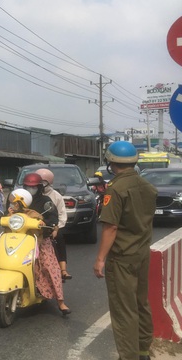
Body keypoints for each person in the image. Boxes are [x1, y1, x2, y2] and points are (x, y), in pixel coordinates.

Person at [93, 141, 156, 360]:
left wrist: (100, 259)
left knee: (124, 309)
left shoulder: (116, 189)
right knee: (141, 302)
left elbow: (110, 227)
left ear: (110, 162)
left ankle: (128, 356)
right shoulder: (147, 186)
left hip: (122, 257)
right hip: (142, 252)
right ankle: (143, 350)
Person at [22, 172, 71, 315]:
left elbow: (53, 218)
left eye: (33, 187)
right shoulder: (18, 199)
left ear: (39, 187)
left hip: (40, 240)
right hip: (21, 239)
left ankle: (61, 302)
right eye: (28, 187)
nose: (30, 190)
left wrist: (47, 223)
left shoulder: (46, 201)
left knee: (50, 267)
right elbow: (8, 214)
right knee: (3, 259)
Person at [35, 168, 72, 281]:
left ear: (49, 183)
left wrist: (55, 229)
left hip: (50, 226)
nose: (40, 185)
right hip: (32, 226)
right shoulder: (29, 195)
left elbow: (61, 216)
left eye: (43, 182)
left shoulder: (56, 196)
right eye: (38, 182)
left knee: (59, 238)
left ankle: (63, 270)